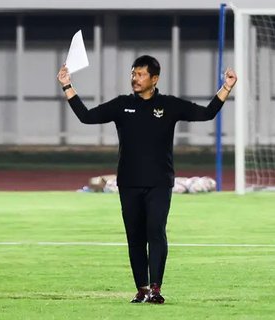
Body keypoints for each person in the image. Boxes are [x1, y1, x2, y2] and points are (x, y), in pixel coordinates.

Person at [57, 55, 237, 303]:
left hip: (160, 182)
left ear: (155, 78)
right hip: (129, 182)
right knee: (135, 237)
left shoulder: (169, 105)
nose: (135, 79)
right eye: (133, 74)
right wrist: (67, 85)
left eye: (140, 74)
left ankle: (156, 289)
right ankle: (141, 289)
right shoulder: (121, 105)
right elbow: (86, 117)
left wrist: (226, 87)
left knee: (156, 231)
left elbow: (206, 114)